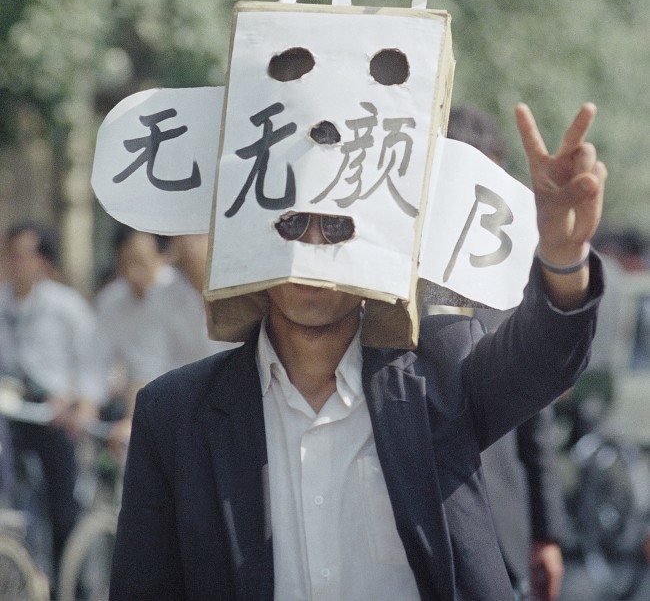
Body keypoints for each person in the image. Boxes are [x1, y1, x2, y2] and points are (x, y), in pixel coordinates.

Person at [109, 101, 606, 600]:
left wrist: (564, 261)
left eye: (338, 226)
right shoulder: (174, 416)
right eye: (292, 224)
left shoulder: (440, 372)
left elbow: (541, 361)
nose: (314, 247)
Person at [446, 104, 569, 601]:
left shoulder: (507, 285)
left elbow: (534, 418)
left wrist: (547, 532)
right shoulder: (385, 287)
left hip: (501, 531)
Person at [0, 221, 103, 574]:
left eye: (25, 255)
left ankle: (69, 582)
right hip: (12, 414)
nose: (16, 264)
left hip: (55, 416)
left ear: (43, 261)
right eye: (11, 255)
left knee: (63, 507)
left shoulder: (65, 306)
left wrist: (77, 402)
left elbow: (93, 363)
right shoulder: (1, 304)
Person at [95, 225, 229, 444]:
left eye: (198, 235)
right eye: (184, 236)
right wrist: (132, 420)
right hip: (188, 415)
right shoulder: (161, 298)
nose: (190, 245)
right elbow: (148, 365)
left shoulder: (245, 291)